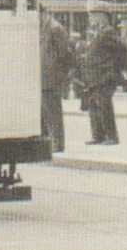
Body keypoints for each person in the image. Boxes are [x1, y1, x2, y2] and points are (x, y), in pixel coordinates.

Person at [84, 9, 127, 145]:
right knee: (94, 105)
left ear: (102, 17)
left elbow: (121, 49)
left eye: (93, 16)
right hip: (95, 76)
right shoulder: (98, 32)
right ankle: (98, 135)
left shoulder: (107, 31)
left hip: (105, 75)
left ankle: (111, 136)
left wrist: (112, 67)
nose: (91, 18)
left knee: (104, 105)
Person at [40, 10, 74, 153]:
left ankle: (57, 144)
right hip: (43, 77)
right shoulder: (43, 28)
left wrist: (62, 75)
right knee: (45, 112)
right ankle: (49, 142)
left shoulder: (55, 29)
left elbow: (64, 54)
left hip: (52, 77)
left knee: (53, 112)